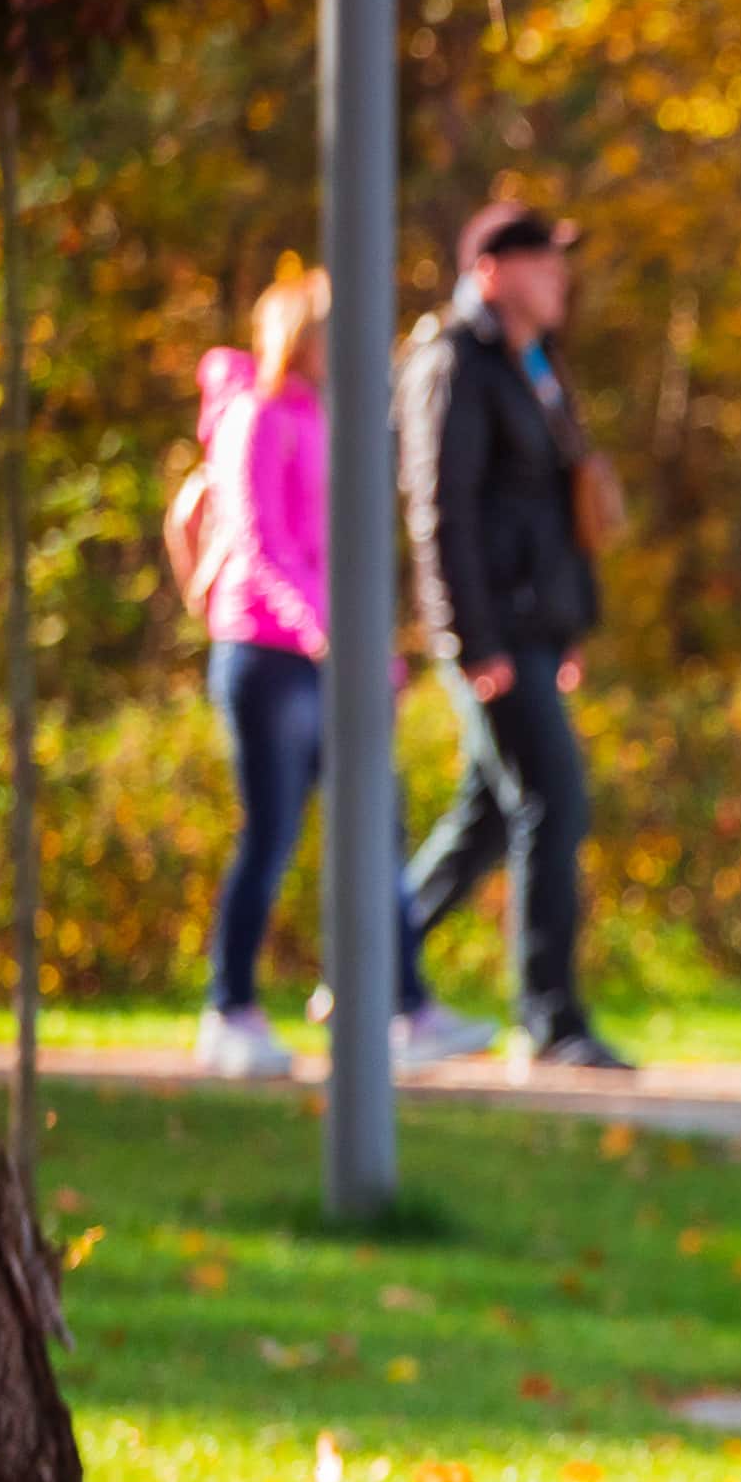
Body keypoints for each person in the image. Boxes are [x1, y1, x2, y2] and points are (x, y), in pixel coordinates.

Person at [178, 273, 488, 1079]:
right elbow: (259, 540)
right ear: (302, 334)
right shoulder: (255, 416)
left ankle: (403, 1005)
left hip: (329, 656)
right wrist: (324, 634)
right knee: (274, 832)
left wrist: (370, 651)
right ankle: (229, 1008)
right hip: (268, 655)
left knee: (376, 822)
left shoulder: (326, 419)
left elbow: (339, 553)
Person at [398, 200, 634, 1072]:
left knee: (489, 817)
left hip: (538, 626)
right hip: (492, 633)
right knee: (552, 803)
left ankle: (370, 964)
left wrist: (570, 625)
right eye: (542, 262)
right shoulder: (453, 362)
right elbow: (440, 511)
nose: (559, 277)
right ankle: (552, 1018)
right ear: (491, 271)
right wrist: (470, 638)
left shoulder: (538, 365)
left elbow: (560, 506)